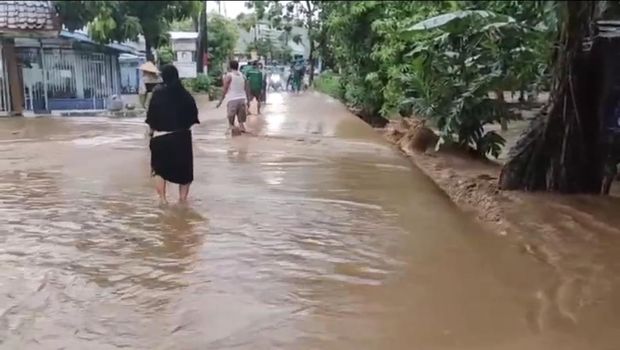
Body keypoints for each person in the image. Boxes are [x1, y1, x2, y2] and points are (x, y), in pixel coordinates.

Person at [145, 64, 199, 205]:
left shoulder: (157, 94)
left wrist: (150, 134)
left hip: (160, 138)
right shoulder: (186, 95)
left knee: (159, 170)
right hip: (182, 138)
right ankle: (182, 201)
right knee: (185, 174)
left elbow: (151, 117)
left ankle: (163, 200)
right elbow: (194, 117)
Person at [216, 60, 248, 134]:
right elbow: (247, 88)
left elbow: (225, 89)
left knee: (231, 117)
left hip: (232, 99)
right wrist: (248, 100)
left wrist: (221, 101)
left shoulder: (229, 76)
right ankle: (240, 129)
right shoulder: (243, 76)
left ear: (230, 66)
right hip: (242, 99)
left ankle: (232, 128)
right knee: (241, 120)